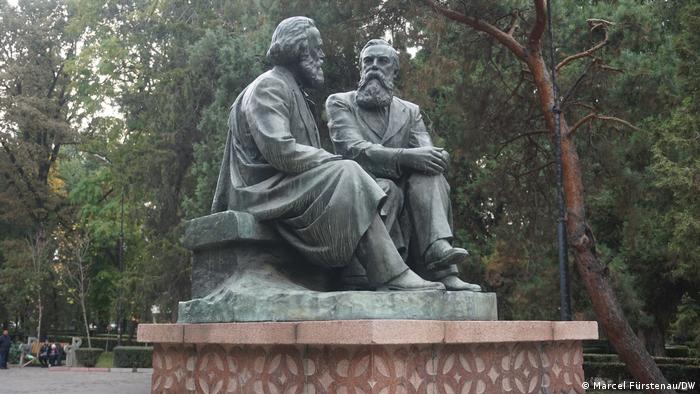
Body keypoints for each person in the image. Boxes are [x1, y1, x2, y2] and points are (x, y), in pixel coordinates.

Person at [211, 17, 443, 291]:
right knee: (348, 173)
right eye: (317, 47)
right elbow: (280, 151)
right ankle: (392, 275)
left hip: (284, 186)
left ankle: (359, 275)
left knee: (383, 187)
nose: (322, 55)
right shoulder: (269, 86)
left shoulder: (292, 90)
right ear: (299, 48)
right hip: (262, 191)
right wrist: (336, 162)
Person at [326, 39, 482, 291]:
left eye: (382, 61)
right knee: (387, 187)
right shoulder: (340, 102)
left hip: (403, 194)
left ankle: (440, 260)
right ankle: (366, 271)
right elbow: (353, 150)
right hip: (357, 189)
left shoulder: (410, 112)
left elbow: (427, 152)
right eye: (368, 61)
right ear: (360, 67)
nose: (374, 67)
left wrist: (439, 158)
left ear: (394, 71)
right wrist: (405, 157)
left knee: (430, 176)